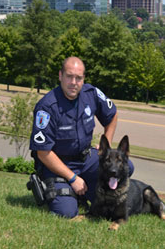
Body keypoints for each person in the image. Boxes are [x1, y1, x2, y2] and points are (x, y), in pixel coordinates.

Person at [29, 56, 134, 218]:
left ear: (83, 78)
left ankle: (87, 191)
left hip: (85, 159)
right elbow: (43, 153)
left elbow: (112, 114)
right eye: (69, 76)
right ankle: (74, 191)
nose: (74, 82)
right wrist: (73, 178)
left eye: (78, 78)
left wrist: (106, 143)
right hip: (58, 165)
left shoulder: (91, 93)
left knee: (127, 167)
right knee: (66, 212)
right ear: (60, 76)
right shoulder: (47, 107)